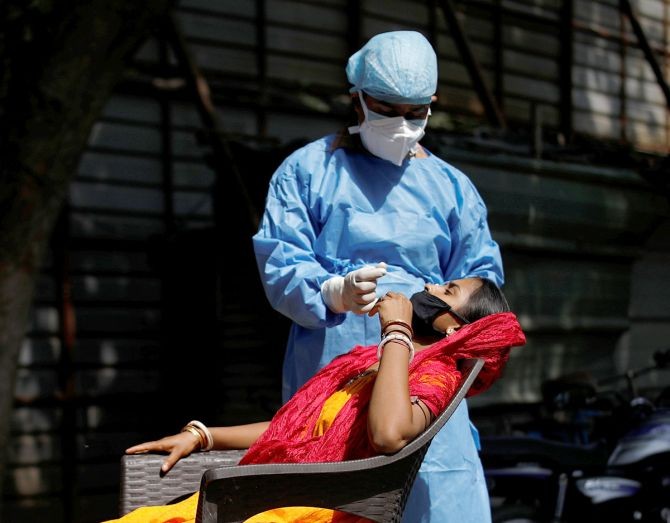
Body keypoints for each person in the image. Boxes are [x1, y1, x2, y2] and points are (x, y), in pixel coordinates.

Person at [252, 31, 503, 522]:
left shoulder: (453, 190)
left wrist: (428, 316)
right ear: (357, 99)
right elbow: (282, 262)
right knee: (326, 493)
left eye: (415, 113)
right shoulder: (307, 172)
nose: (402, 124)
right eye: (387, 108)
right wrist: (330, 292)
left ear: (432, 105)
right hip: (333, 370)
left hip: (426, 386)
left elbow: (481, 292)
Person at [105, 279, 525, 523]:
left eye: (447, 291)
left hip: (312, 510)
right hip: (268, 500)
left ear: (456, 329)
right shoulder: (379, 364)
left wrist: (396, 329)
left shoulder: (435, 376)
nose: (430, 287)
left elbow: (388, 434)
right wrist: (202, 436)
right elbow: (297, 431)